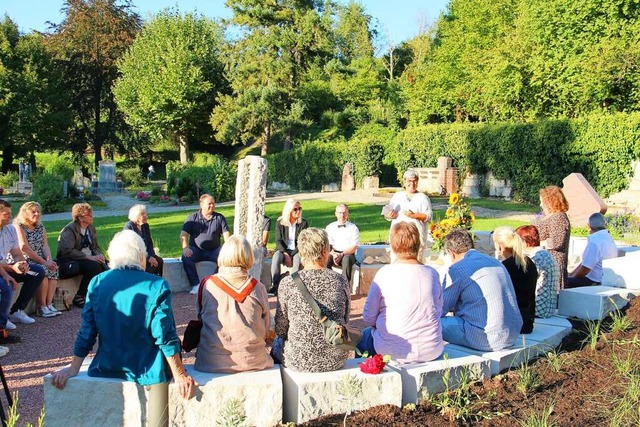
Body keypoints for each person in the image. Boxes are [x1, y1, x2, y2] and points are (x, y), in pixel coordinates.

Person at [50, 231, 196, 425]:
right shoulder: (157, 285)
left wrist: (73, 367)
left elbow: (87, 330)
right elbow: (164, 333)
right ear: (141, 256)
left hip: (108, 364)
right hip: (150, 368)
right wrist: (179, 374)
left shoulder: (97, 282)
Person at [358, 222, 443, 364]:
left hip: (392, 349)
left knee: (364, 337)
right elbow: (438, 309)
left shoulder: (384, 274)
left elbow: (368, 316)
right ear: (418, 244)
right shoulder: (432, 274)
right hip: (431, 348)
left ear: (392, 246)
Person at [272, 228, 351, 372]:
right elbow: (345, 318)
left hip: (298, 360)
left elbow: (281, 328)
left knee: (277, 341)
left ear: (301, 253)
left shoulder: (288, 283)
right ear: (325, 251)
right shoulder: (340, 280)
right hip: (335, 358)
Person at [194, 235, 273, 373]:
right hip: (253, 360)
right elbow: (266, 326)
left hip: (210, 360)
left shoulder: (207, 284)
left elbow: (200, 316)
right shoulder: (258, 287)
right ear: (248, 256)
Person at [441, 229, 522, 351]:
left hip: (485, 338)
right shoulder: (495, 262)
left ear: (451, 253)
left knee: (432, 323)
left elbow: (440, 307)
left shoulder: (457, 269)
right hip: (512, 333)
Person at [0, 200, 46, 327]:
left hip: (8, 268)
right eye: (6, 214)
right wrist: (12, 267)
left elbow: (16, 253)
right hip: (4, 270)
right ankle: (2, 321)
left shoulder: (10, 230)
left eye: (10, 213)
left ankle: (17, 311)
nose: (10, 216)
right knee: (6, 285)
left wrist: (22, 264)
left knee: (37, 271)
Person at [14, 201, 61, 318]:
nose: (36, 214)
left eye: (38, 211)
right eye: (33, 212)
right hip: (25, 259)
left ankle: (49, 304)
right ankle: (42, 306)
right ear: (25, 213)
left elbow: (45, 245)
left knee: (54, 269)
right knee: (42, 270)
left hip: (40, 257)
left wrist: (49, 260)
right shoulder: (19, 226)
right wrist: (45, 262)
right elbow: (24, 248)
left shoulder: (41, 227)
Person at [57, 203, 108, 308]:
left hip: (88, 258)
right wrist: (89, 257)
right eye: (88, 215)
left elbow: (95, 247)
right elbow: (67, 251)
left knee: (107, 266)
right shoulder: (69, 230)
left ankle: (98, 296)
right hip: (71, 261)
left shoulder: (91, 228)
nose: (91, 217)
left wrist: (100, 256)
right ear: (80, 217)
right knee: (94, 267)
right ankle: (80, 295)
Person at [180, 194, 230, 295]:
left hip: (214, 250)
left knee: (226, 259)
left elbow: (226, 235)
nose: (212, 206)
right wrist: (185, 248)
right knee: (186, 257)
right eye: (209, 204)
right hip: (196, 250)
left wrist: (227, 249)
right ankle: (195, 285)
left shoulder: (219, 218)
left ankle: (214, 283)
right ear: (201, 205)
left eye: (213, 203)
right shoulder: (192, 218)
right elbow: (183, 235)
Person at [493, 226, 538, 334]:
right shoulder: (528, 263)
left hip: (511, 323)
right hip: (527, 320)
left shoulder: (505, 267)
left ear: (499, 246)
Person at [382, 169, 432, 261]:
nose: (412, 184)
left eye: (414, 181)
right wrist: (390, 215)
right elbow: (388, 214)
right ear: (404, 182)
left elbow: (428, 217)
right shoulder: (397, 196)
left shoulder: (423, 198)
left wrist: (414, 216)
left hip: (415, 239)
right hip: (398, 238)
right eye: (409, 181)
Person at [516, 225, 560, 318]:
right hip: (548, 307)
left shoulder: (536, 258)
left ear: (524, 242)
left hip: (538, 309)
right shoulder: (545, 254)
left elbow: (525, 284)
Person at [567, 213, 618, 288]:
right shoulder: (608, 237)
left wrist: (571, 278)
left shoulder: (595, 242)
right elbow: (584, 263)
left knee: (561, 283)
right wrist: (571, 275)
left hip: (594, 281)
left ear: (589, 226)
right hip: (606, 277)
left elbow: (585, 269)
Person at [271, 199, 308, 294]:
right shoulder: (280, 223)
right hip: (283, 250)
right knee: (276, 257)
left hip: (297, 249)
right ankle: (275, 285)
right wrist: (286, 254)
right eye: (295, 209)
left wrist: (292, 254)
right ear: (289, 210)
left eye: (299, 208)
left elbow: (302, 242)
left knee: (297, 259)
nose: (298, 211)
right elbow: (278, 241)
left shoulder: (303, 223)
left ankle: (294, 285)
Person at [538, 186, 571, 289]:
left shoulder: (559, 217)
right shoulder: (553, 216)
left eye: (542, 201)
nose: (540, 205)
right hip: (546, 264)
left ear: (549, 201)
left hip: (554, 265)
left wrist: (535, 242)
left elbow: (556, 242)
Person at [124, 204, 163, 276]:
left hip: (146, 254)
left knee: (159, 261)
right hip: (134, 256)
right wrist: (147, 258)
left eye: (145, 213)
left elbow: (149, 243)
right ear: (136, 216)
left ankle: (156, 282)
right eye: (142, 214)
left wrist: (152, 256)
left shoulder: (145, 226)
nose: (146, 216)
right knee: (146, 265)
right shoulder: (129, 226)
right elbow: (131, 246)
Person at [325, 204, 360, 283]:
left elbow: (354, 247)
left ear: (348, 213)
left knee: (347, 260)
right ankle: (329, 283)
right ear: (336, 214)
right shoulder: (330, 227)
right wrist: (334, 254)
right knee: (325, 260)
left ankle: (344, 287)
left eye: (344, 212)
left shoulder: (353, 228)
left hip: (348, 253)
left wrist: (342, 254)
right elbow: (327, 245)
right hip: (333, 252)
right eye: (340, 212)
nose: (342, 215)